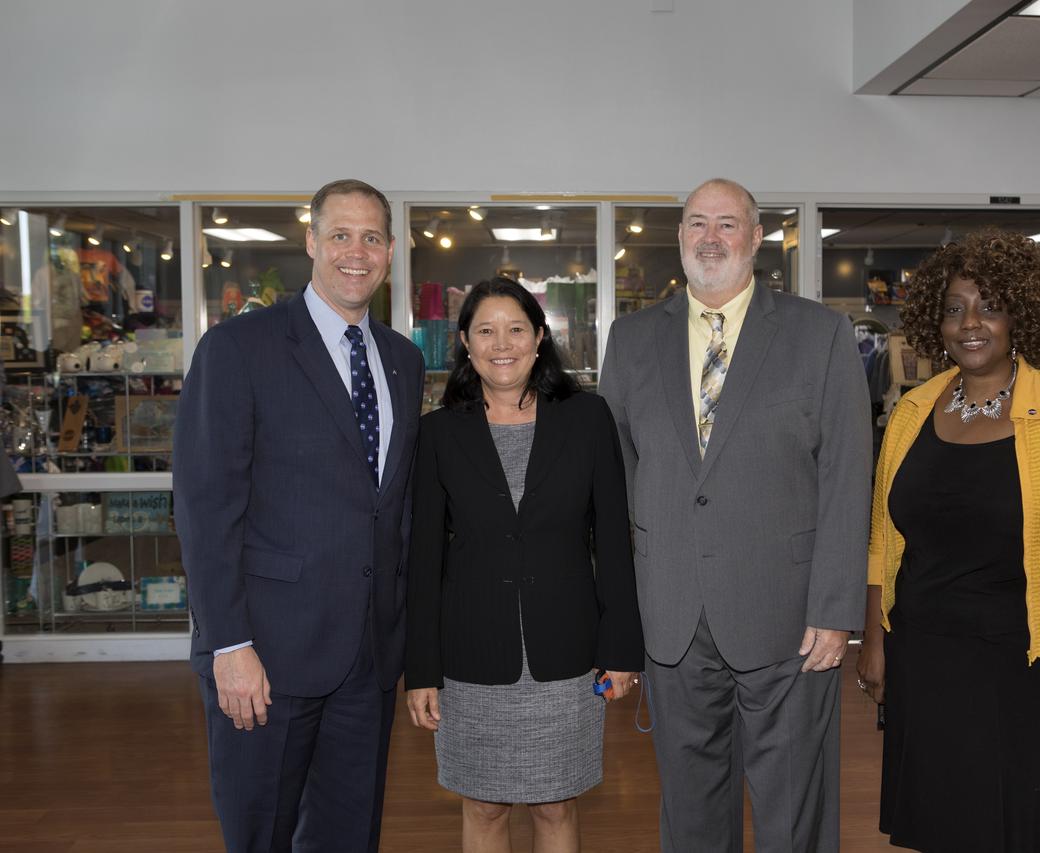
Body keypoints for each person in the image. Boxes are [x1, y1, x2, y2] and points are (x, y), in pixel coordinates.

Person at [598, 178, 872, 852]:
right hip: (671, 618)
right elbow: (614, 480)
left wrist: (836, 609)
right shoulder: (631, 340)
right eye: (697, 223)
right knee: (690, 810)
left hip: (790, 619)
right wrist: (619, 619)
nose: (711, 237)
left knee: (793, 810)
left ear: (756, 239)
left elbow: (846, 476)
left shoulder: (820, 334)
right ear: (680, 238)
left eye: (727, 224)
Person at [856, 230, 1040, 852]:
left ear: (1021, 313)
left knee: (1035, 828)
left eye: (989, 306)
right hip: (930, 659)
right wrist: (875, 640)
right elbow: (884, 533)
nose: (971, 324)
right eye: (955, 308)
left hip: (1039, 662)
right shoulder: (911, 413)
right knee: (947, 824)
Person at [174, 179, 424, 852]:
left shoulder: (402, 359)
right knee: (261, 833)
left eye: (372, 237)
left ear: (391, 251)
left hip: (367, 661)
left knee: (350, 836)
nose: (356, 251)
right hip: (266, 657)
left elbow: (390, 510)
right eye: (340, 234)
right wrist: (228, 644)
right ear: (311, 242)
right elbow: (205, 507)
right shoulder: (237, 349)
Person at [404, 277, 644, 853]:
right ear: (465, 342)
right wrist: (421, 670)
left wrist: (622, 650)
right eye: (485, 331)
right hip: (471, 656)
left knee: (555, 805)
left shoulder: (587, 418)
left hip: (567, 655)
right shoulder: (438, 432)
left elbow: (613, 540)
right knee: (483, 806)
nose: (501, 343)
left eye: (515, 328)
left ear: (540, 337)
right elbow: (423, 559)